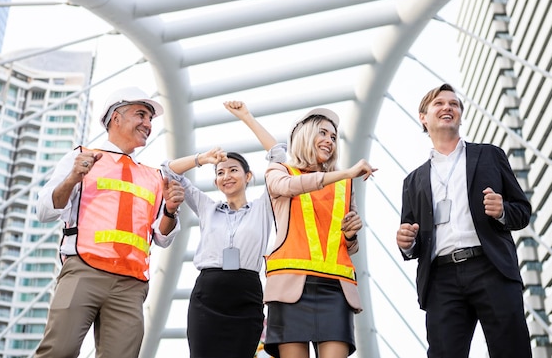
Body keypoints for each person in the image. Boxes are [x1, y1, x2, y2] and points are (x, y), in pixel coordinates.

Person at [34, 86, 184, 358]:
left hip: (131, 283)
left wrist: (171, 211)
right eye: (141, 115)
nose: (148, 124)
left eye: (151, 119)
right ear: (116, 118)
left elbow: (162, 237)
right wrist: (71, 179)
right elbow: (45, 211)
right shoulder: (81, 157)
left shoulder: (153, 176)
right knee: (58, 351)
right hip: (84, 270)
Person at [396, 83, 532, 358]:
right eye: (439, 103)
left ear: (459, 114)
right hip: (441, 279)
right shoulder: (413, 181)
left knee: (512, 351)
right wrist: (407, 242)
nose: (447, 107)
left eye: (454, 104)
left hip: (491, 267)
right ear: (423, 117)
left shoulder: (490, 156)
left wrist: (502, 209)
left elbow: (522, 211)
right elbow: (412, 239)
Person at [161, 101, 286, 358]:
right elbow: (168, 171)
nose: (226, 176)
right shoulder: (207, 207)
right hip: (208, 294)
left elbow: (278, 155)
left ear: (248, 176)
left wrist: (246, 116)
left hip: (246, 293)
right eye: (220, 172)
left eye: (233, 170)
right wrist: (202, 159)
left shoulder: (263, 207)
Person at [263, 107, 376, 358]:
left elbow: (350, 245)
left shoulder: (345, 184)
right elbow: (289, 187)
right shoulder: (279, 171)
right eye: (322, 133)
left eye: (334, 137)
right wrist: (344, 173)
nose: (329, 141)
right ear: (305, 135)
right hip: (289, 287)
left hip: (336, 290)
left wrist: (350, 234)